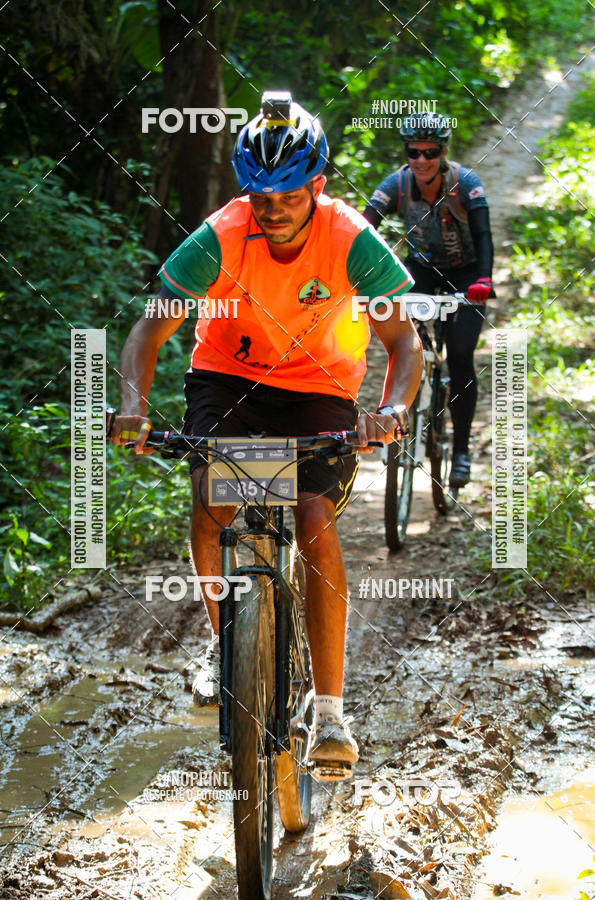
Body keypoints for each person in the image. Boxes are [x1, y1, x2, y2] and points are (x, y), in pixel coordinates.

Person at [111, 91, 422, 780]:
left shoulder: (350, 240)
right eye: (259, 193)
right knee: (213, 501)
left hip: (319, 393)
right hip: (228, 383)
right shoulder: (221, 235)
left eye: (287, 192)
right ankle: (226, 650)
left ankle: (333, 711)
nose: (272, 207)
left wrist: (393, 408)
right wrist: (133, 405)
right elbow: (149, 329)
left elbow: (404, 343)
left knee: (314, 516)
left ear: (317, 185)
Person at [363, 113, 494, 487]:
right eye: (413, 152)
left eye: (430, 153)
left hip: (467, 275)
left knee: (460, 355)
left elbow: (484, 235)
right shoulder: (397, 184)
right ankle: (408, 406)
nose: (421, 161)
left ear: (444, 152)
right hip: (420, 269)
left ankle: (463, 450)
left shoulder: (466, 184)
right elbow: (363, 226)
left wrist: (484, 278)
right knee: (406, 346)